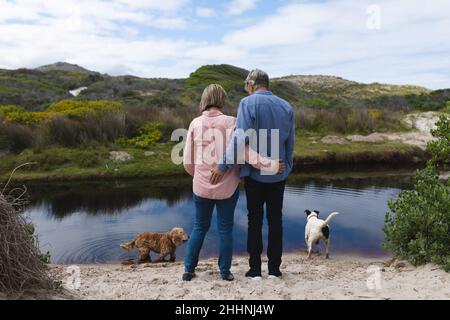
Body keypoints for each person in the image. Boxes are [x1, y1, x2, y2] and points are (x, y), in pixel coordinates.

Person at [182, 84, 282, 282]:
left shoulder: (195, 123)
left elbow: (187, 160)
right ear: (222, 99)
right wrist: (270, 164)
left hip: (201, 187)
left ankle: (188, 270)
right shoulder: (232, 122)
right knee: (225, 229)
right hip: (227, 188)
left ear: (204, 99)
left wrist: (199, 177)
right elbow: (244, 152)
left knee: (199, 227)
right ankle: (225, 271)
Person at [210, 69, 295, 279]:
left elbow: (240, 140)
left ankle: (255, 269)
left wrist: (222, 167)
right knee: (276, 220)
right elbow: (290, 143)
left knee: (254, 220)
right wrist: (287, 167)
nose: (246, 89)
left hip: (255, 175)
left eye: (246, 85)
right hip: (278, 173)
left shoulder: (247, 104)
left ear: (251, 84)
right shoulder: (286, 106)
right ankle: (274, 269)